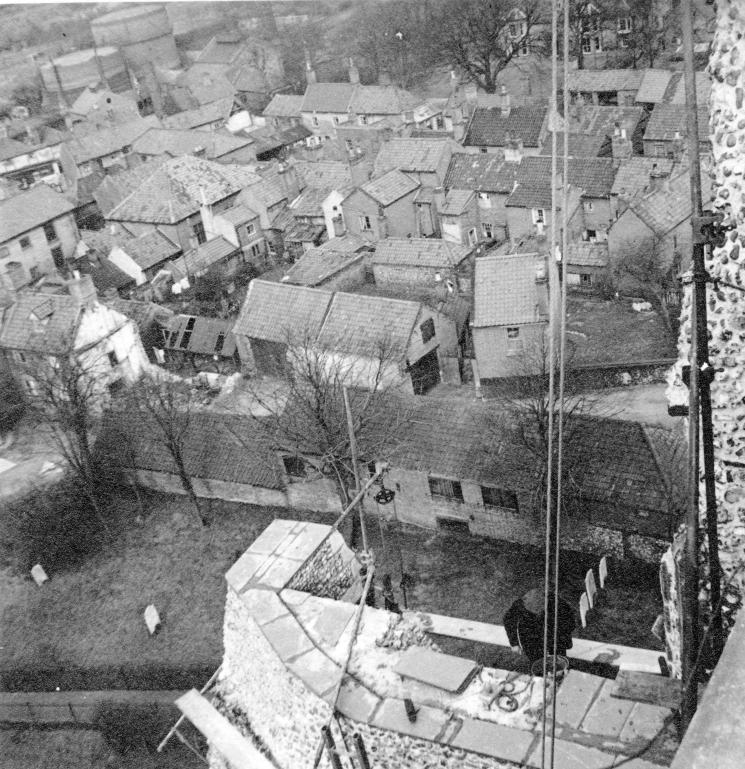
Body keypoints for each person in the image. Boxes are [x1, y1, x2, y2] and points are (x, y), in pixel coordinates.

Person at [503, 584, 576, 665]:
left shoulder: (556, 602)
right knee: (538, 663)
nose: (537, 613)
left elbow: (570, 621)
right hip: (532, 640)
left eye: (540, 610)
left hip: (554, 638)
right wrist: (514, 643)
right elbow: (509, 620)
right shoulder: (519, 605)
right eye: (532, 610)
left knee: (558, 662)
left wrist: (562, 633)